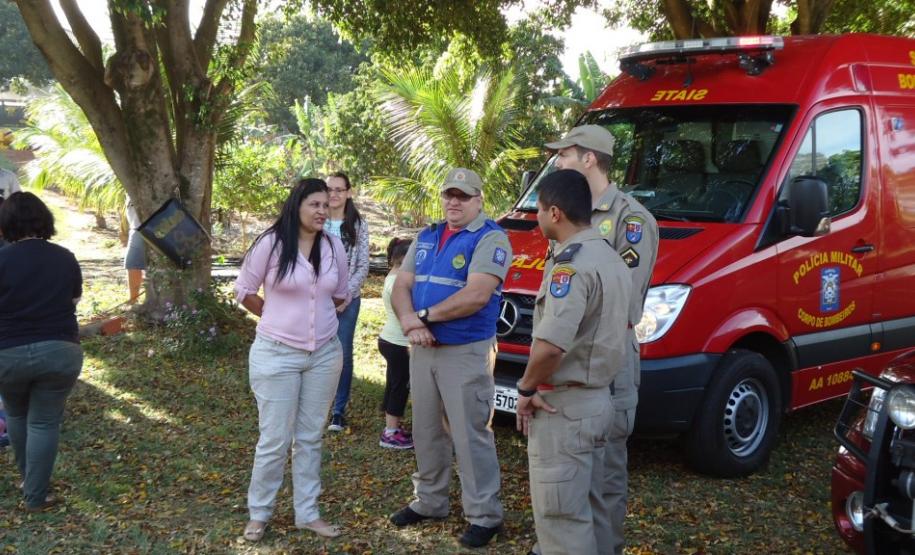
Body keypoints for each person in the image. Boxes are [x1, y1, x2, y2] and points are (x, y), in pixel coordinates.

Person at [546, 124, 659, 554]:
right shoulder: (567, 214)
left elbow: (621, 307)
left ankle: (604, 546)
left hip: (607, 362)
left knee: (606, 473)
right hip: (567, 360)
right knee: (569, 466)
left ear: (589, 158)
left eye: (565, 155)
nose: (558, 162)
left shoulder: (631, 221)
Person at [389, 167, 511, 548]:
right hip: (423, 348)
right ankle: (430, 500)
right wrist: (410, 322)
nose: (454, 202)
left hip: (465, 350)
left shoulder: (491, 238)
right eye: (449, 195)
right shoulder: (427, 235)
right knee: (426, 430)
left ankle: (485, 515)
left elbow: (476, 296)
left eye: (463, 196)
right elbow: (402, 284)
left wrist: (422, 317)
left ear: (479, 200)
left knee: (469, 433)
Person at [516, 169, 631, 554]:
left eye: (540, 209)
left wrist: (526, 388)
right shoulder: (611, 259)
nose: (537, 217)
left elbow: (551, 347)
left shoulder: (570, 266)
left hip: (565, 406)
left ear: (555, 214)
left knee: (563, 522)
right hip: (600, 399)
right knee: (593, 509)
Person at [233, 178, 350, 542]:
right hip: (276, 354)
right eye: (314, 204)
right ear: (296, 206)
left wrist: (316, 319)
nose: (322, 210)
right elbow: (244, 291)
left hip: (325, 354)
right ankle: (259, 513)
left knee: (311, 437)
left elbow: (341, 295)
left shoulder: (333, 246)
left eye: (326, 205)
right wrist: (275, 317)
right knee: (274, 439)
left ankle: (308, 513)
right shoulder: (271, 243)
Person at [0, 192, 83, 511]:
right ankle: (36, 494)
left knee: (17, 414)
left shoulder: (1, 259)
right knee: (44, 422)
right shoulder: (65, 256)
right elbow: (73, 300)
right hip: (59, 350)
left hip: (7, 353)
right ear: (45, 220)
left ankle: (29, 483)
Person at [324, 172, 369, 432]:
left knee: (342, 352)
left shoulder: (358, 224)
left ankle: (338, 410)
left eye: (340, 189)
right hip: (316, 299)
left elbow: (362, 266)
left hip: (347, 301)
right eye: (330, 189)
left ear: (349, 192)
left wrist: (344, 297)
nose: (334, 194)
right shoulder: (315, 219)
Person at [377, 237, 413, 449]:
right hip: (400, 343)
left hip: (389, 340)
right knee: (400, 386)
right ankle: (391, 433)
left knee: (393, 382)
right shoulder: (400, 282)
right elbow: (407, 314)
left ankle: (391, 423)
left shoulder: (392, 275)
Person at [124, 198, 147, 303]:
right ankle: (134, 300)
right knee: (133, 264)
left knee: (132, 263)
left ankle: (133, 300)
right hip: (136, 226)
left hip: (143, 226)